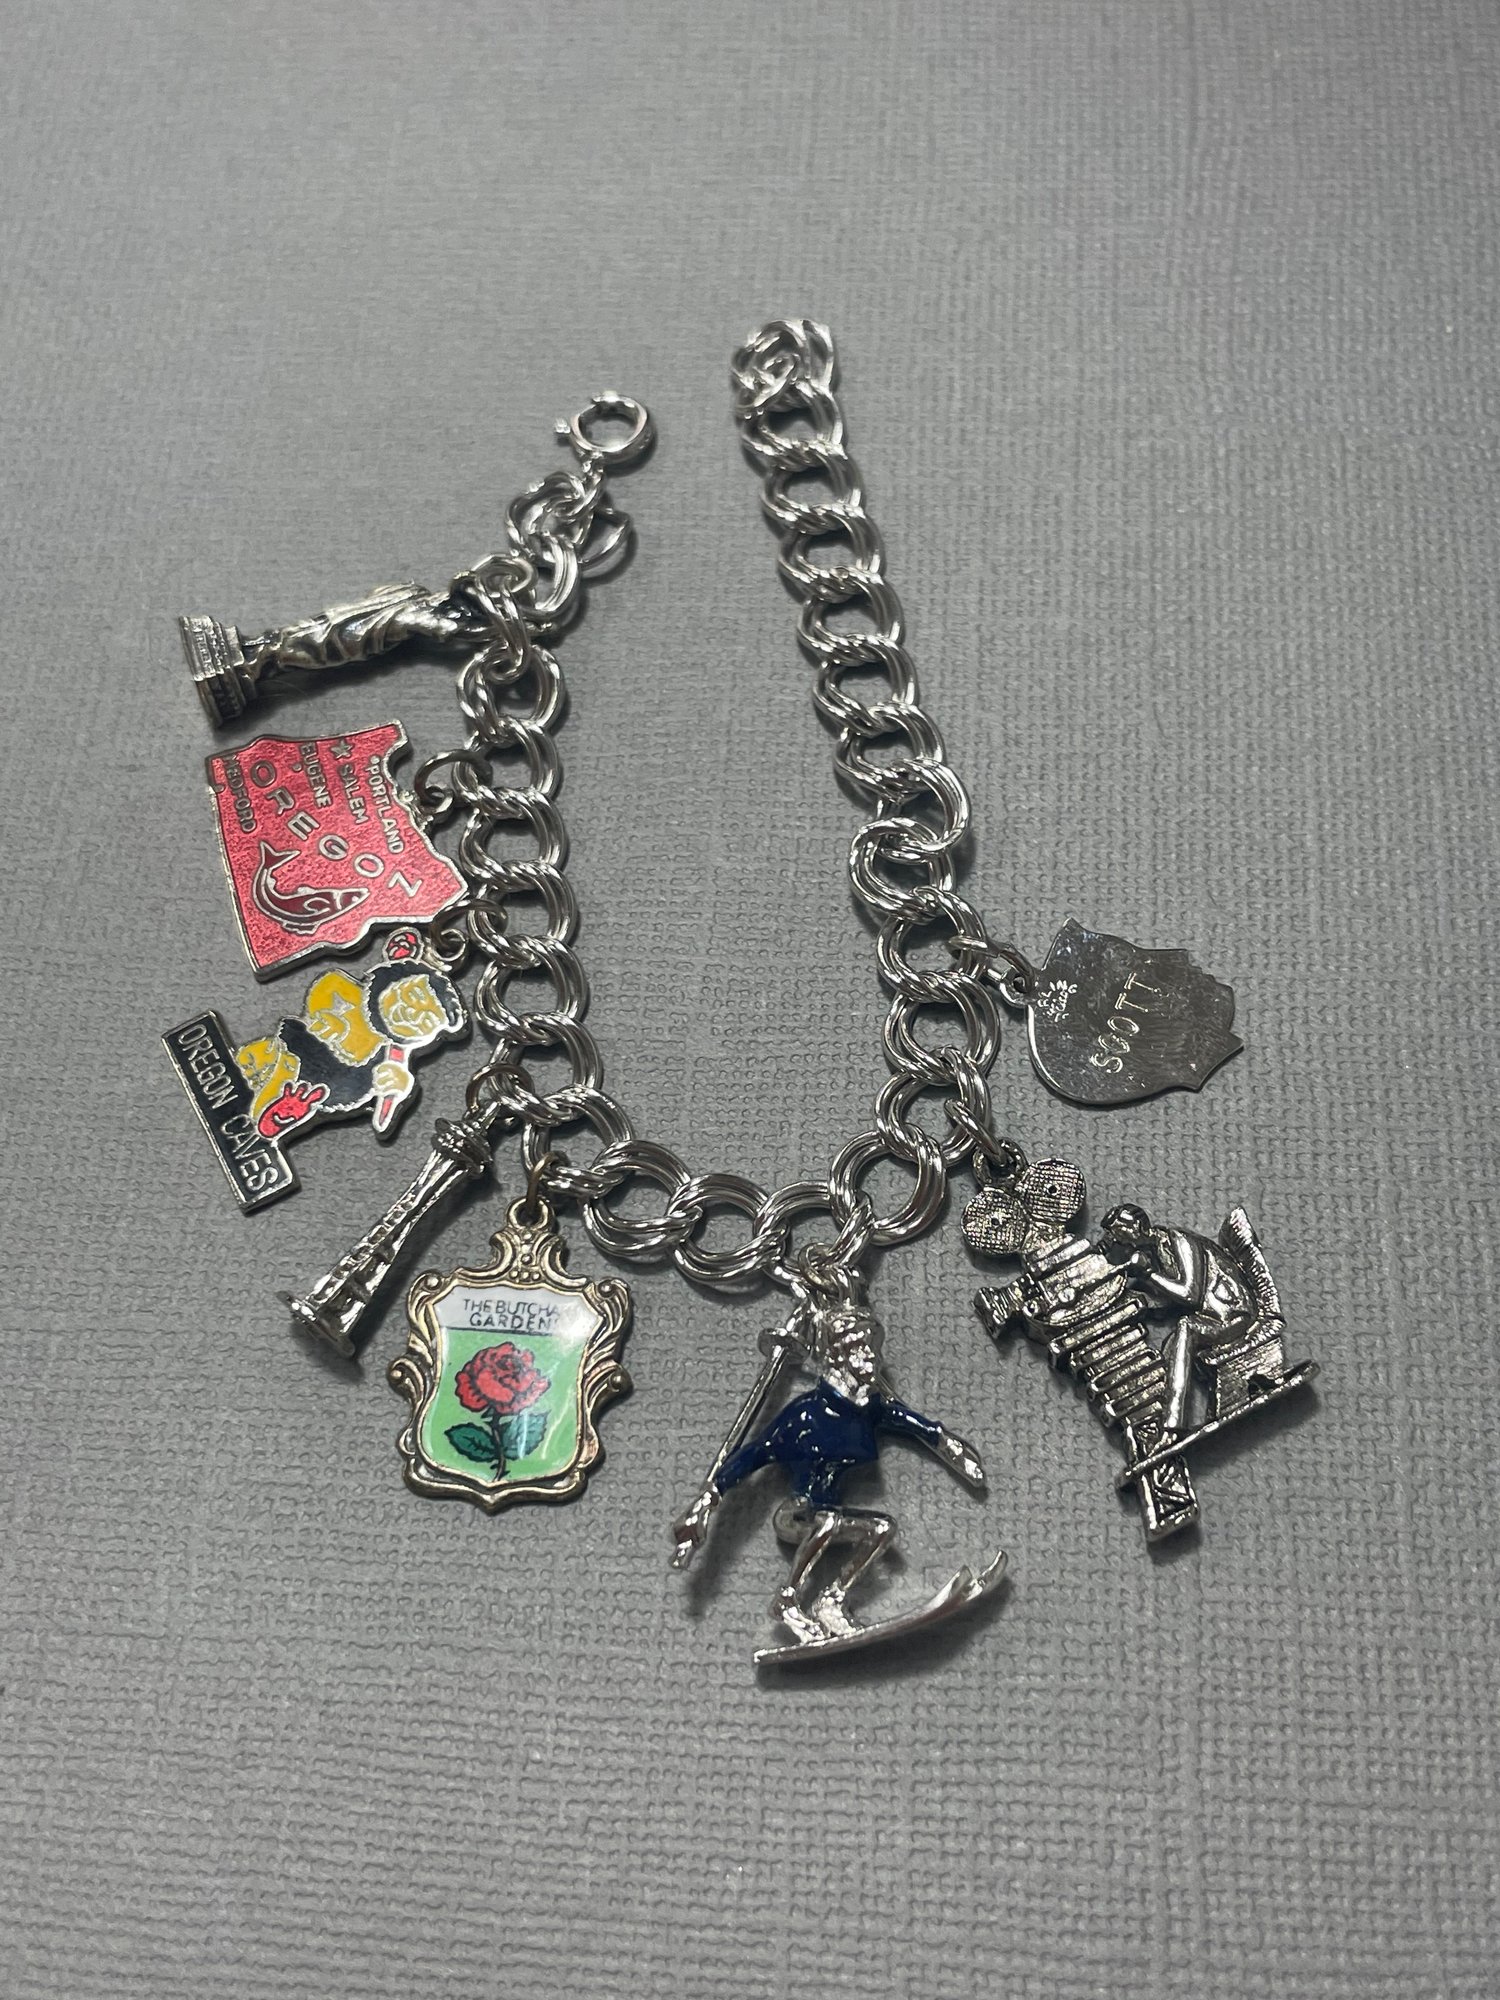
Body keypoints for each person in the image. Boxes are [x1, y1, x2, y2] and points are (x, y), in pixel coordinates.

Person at [672, 1301, 985, 1646]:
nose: (873, 1358)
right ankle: (787, 1601)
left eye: (873, 1349)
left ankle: (831, 1601)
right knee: (827, 1521)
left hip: (826, 1513)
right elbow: (755, 1453)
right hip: (796, 1515)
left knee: (882, 1529)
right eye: (862, 1350)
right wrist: (708, 1499)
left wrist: (947, 1443)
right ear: (839, 1357)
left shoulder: (866, 1409)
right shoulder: (805, 1414)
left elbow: (907, 1420)